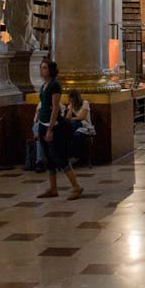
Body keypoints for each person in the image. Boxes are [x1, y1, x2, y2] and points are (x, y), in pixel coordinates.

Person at [35, 59, 83, 200]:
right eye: (41, 67)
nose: (42, 70)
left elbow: (55, 108)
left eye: (44, 68)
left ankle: (76, 186)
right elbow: (44, 105)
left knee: (60, 157)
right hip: (42, 123)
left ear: (50, 70)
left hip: (54, 126)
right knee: (49, 158)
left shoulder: (55, 85)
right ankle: (53, 188)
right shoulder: (44, 85)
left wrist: (50, 129)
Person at [65, 88, 95, 161]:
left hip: (85, 126)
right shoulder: (71, 105)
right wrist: (71, 106)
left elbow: (82, 117)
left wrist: (72, 118)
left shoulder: (85, 103)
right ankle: (69, 156)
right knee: (67, 135)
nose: (70, 99)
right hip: (76, 126)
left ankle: (76, 156)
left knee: (76, 134)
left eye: (71, 98)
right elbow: (67, 117)